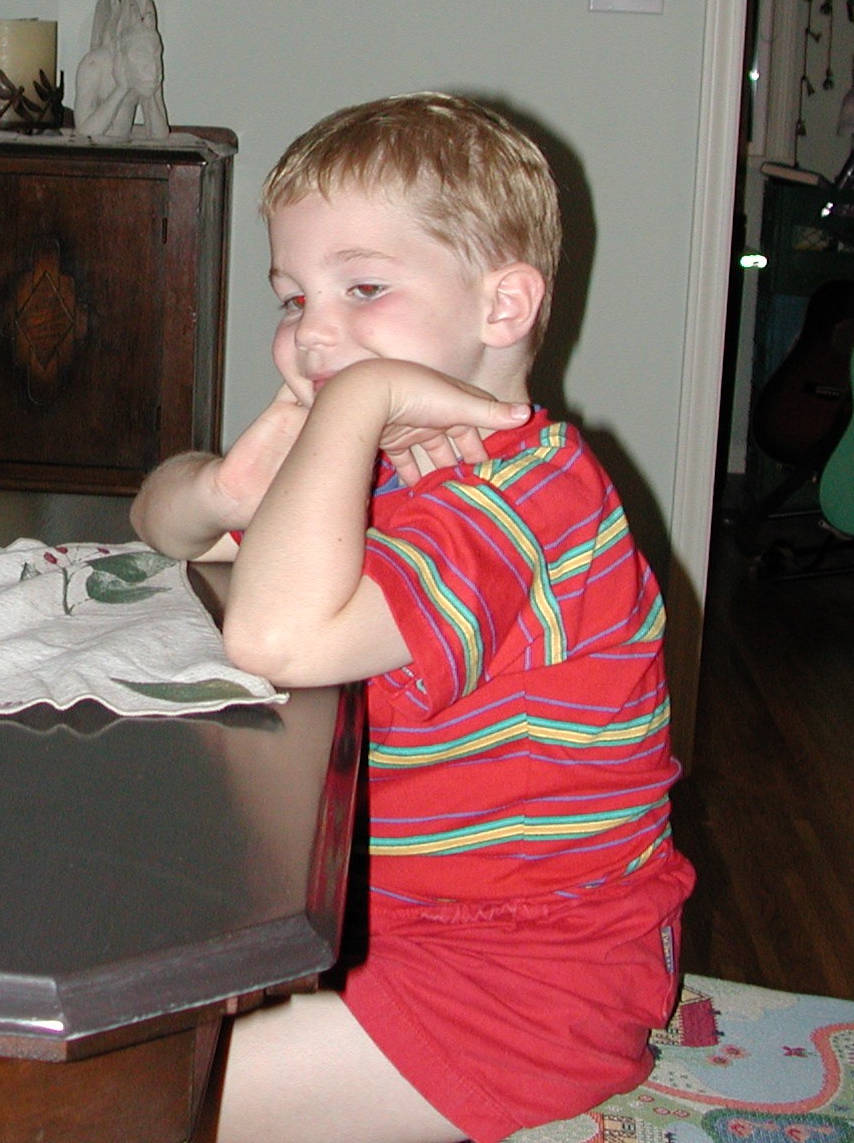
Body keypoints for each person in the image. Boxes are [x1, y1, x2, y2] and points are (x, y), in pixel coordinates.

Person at [131, 94, 692, 1143]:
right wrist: (220, 487)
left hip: (521, 988)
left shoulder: (523, 499)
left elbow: (275, 638)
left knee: (131, 1102)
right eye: (291, 298)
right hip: (377, 923)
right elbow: (158, 523)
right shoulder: (384, 467)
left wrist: (356, 399)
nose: (310, 333)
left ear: (502, 305)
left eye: (363, 289)